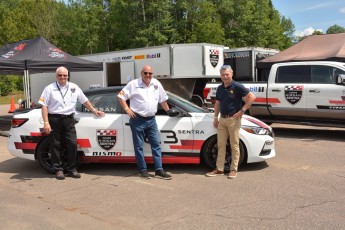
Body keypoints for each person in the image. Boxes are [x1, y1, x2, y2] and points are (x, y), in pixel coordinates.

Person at [38, 66, 104, 180]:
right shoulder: (49, 88)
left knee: (72, 144)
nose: (62, 77)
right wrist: (46, 122)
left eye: (65, 75)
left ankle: (72, 169)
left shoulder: (74, 87)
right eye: (60, 75)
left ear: (68, 75)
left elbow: (84, 101)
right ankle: (58, 170)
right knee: (55, 145)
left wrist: (94, 110)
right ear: (56, 76)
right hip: (54, 119)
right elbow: (44, 106)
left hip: (69, 119)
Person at [117, 65, 172, 180]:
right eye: (145, 73)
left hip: (151, 120)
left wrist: (169, 112)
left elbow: (163, 100)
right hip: (137, 120)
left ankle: (159, 170)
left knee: (156, 145)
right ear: (141, 73)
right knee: (138, 146)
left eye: (150, 73)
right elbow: (121, 96)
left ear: (152, 74)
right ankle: (142, 170)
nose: (148, 75)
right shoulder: (133, 84)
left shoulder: (156, 84)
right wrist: (127, 109)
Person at [206, 65, 256, 179]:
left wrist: (242, 110)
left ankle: (233, 169)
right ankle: (219, 169)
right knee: (221, 145)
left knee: (234, 145)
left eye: (227, 74)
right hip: (222, 119)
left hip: (234, 120)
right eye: (223, 74)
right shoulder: (220, 88)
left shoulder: (237, 86)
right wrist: (215, 117)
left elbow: (252, 97)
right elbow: (217, 103)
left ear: (231, 74)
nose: (225, 76)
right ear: (220, 75)